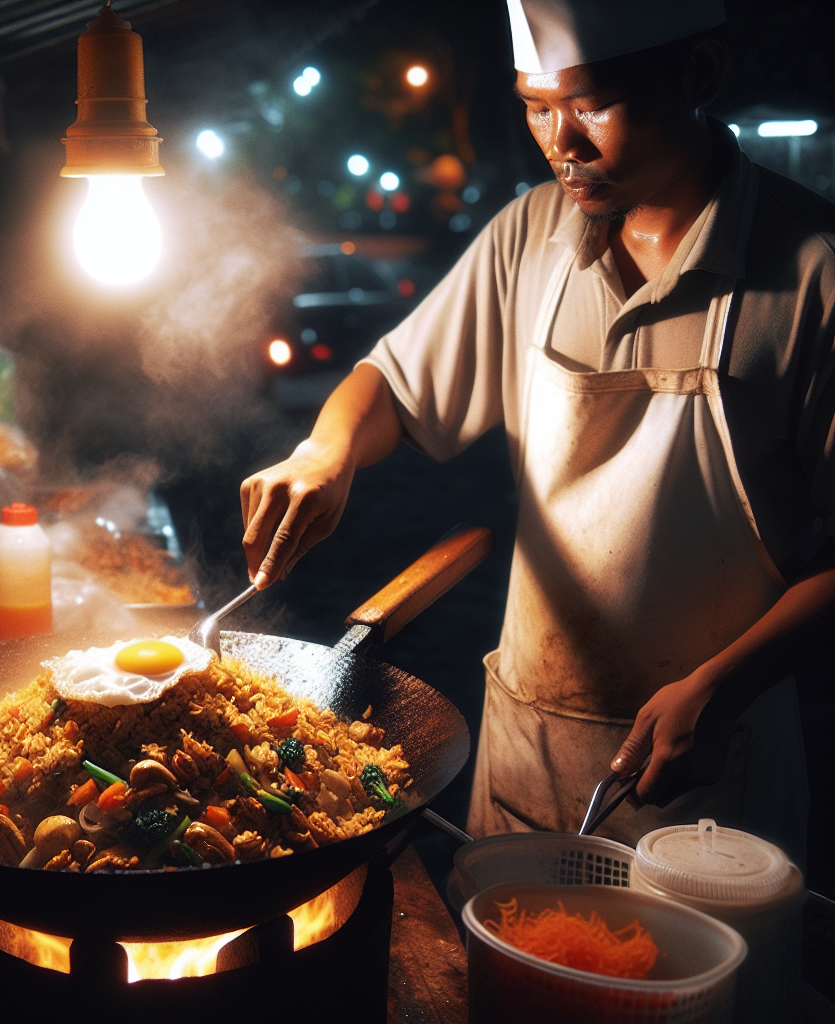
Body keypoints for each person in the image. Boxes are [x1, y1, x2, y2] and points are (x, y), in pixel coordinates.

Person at [240, 0, 834, 858]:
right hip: (527, 754)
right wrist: (323, 453)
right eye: (535, 105)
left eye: (592, 103)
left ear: (698, 74)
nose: (563, 142)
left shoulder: (811, 272)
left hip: (710, 772)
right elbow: (391, 386)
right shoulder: (530, 237)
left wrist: (723, 685)